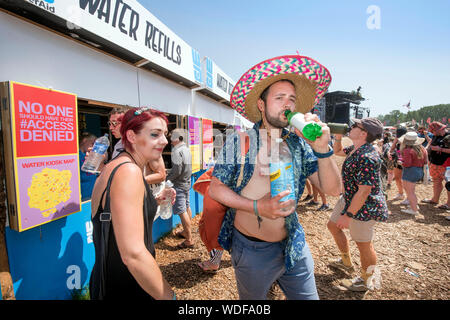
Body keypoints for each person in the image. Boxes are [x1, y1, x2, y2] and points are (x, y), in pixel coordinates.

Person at [209, 54, 341, 300]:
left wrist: (323, 149)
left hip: (294, 244)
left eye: (291, 99)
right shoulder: (241, 141)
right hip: (252, 250)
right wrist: (257, 206)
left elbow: (333, 190)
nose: (287, 105)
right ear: (262, 104)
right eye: (279, 98)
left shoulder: (299, 145)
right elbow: (215, 189)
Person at [89, 107, 176, 300]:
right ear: (131, 136)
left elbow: (120, 216)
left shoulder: (119, 165)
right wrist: (169, 296)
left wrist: (153, 201)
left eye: (165, 134)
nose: (164, 141)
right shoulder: (129, 172)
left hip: (114, 280)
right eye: (155, 134)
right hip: (125, 285)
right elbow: (134, 255)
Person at [328, 117, 388, 292]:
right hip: (349, 199)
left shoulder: (367, 156)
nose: (350, 126)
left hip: (364, 205)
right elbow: (337, 151)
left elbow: (364, 191)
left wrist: (348, 215)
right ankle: (346, 262)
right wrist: (338, 136)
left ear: (364, 133)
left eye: (355, 125)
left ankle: (366, 281)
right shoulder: (357, 149)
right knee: (332, 226)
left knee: (364, 244)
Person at [166, 128, 194, 249]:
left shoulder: (177, 151)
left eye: (172, 138)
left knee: (182, 211)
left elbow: (177, 170)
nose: (170, 141)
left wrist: (167, 178)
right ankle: (186, 232)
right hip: (187, 182)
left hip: (179, 184)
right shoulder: (186, 149)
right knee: (187, 207)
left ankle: (189, 240)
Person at [398, 132, 428, 215]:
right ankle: (414, 205)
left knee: (410, 192)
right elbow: (425, 161)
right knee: (412, 191)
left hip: (410, 171)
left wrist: (400, 162)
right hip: (419, 170)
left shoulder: (407, 150)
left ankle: (414, 209)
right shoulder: (422, 149)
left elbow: (407, 164)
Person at [422, 122, 450, 209]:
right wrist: (427, 149)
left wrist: (440, 149)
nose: (433, 133)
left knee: (448, 184)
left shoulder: (448, 136)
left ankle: (448, 204)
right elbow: (431, 141)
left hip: (446, 165)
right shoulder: (435, 136)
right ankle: (435, 199)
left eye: (433, 131)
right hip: (435, 163)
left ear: (439, 129)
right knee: (436, 181)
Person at [388, 126, 407, 201]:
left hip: (407, 163)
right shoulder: (397, 141)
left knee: (407, 181)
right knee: (397, 178)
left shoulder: (408, 141)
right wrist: (395, 141)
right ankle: (401, 193)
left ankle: (409, 197)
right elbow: (392, 149)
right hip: (398, 162)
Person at [79, 132, 99, 201]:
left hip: (93, 195)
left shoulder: (90, 155)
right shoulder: (76, 156)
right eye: (92, 143)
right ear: (84, 141)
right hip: (83, 198)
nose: (93, 147)